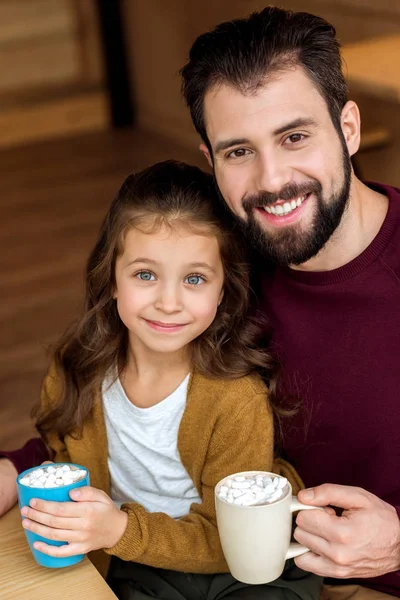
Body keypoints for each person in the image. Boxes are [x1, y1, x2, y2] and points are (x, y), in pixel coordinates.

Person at [0, 160, 321, 600]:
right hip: (139, 563)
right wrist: (15, 469)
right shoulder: (79, 368)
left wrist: (119, 528)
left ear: (223, 289)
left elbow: (231, 542)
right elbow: (59, 453)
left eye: (194, 278)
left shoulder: (235, 399)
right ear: (112, 278)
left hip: (240, 566)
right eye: (145, 274)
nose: (168, 303)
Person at [180, 6, 400, 599]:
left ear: (348, 128)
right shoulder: (216, 276)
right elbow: (127, 394)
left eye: (294, 136)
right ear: (211, 161)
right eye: (238, 152)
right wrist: (20, 469)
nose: (273, 180)